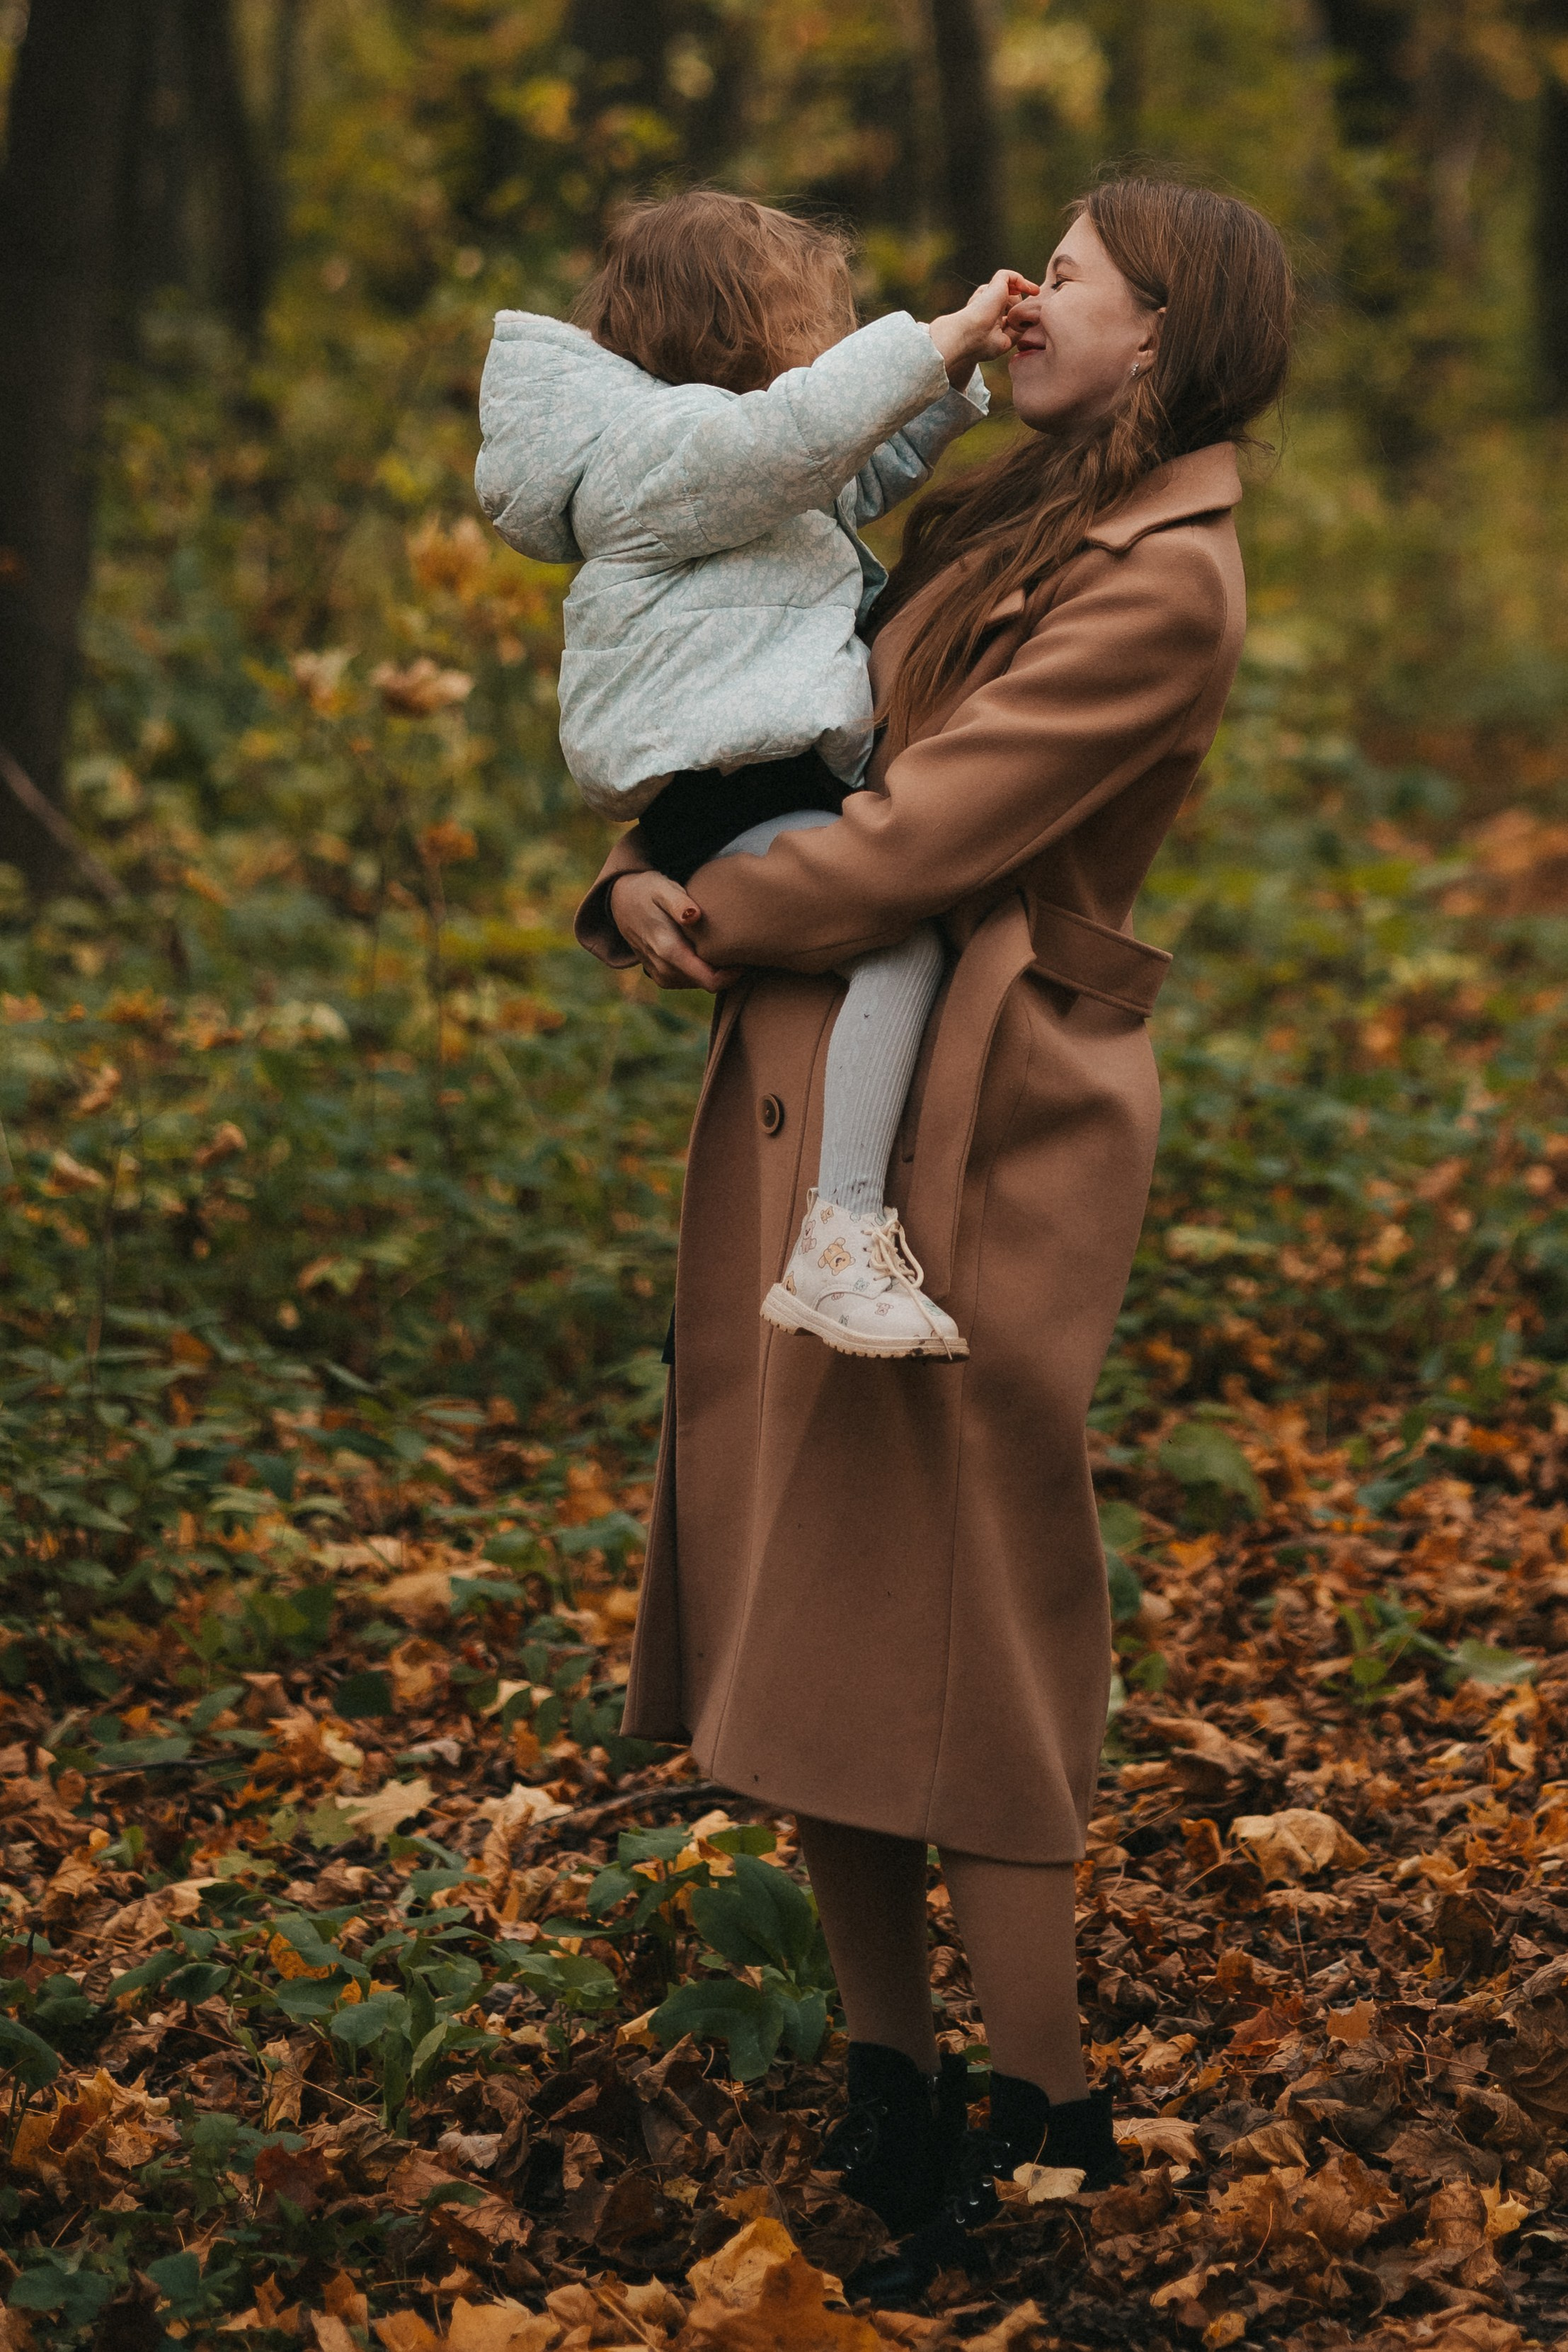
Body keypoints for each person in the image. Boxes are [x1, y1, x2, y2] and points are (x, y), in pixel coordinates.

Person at [577, 177, 1294, 2297]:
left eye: (1067, 276)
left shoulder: (1175, 581)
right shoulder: (994, 498)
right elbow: (781, 704)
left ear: (1161, 330)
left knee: (976, 1577)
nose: (1021, 294)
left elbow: (931, 829)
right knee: (826, 1574)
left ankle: (1048, 2092)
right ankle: (892, 2077)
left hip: (986, 1103)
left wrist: (722, 906)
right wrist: (637, 866)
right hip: (824, 1063)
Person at [476, 190, 1036, 1359]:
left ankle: (821, 1232)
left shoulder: (742, 475)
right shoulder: (661, 456)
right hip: (737, 787)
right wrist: (933, 337)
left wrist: (958, 383)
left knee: (890, 954)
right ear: (736, 331)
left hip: (761, 780)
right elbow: (795, 439)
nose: (833, 347)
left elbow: (852, 475)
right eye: (812, 323)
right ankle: (837, 1238)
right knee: (903, 947)